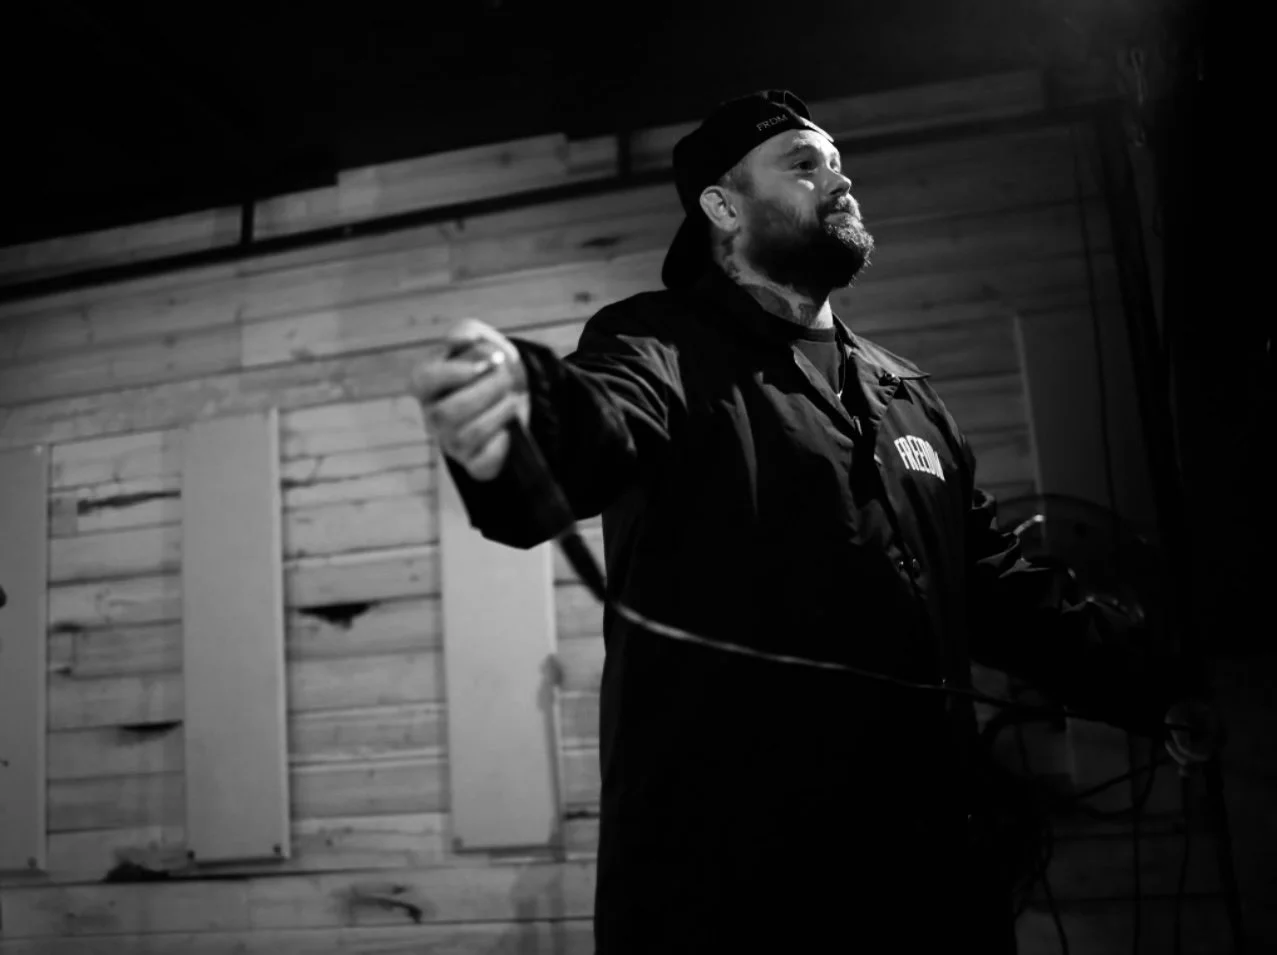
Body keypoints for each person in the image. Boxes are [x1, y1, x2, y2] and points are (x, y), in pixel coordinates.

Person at [411, 90, 1205, 953]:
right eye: (802, 162)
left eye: (837, 160)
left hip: (929, 876)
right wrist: (523, 413)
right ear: (722, 206)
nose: (838, 176)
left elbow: (996, 589)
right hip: (743, 891)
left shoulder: (904, 393)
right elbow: (598, 419)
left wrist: (1151, 689)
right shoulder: (662, 343)